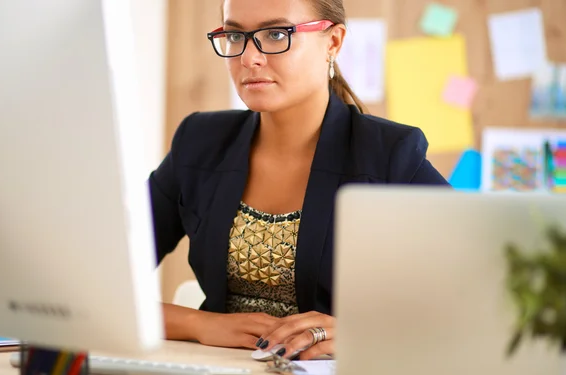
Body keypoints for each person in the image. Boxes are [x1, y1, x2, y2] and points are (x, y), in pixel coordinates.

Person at [148, 0, 450, 361]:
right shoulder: (199, 141)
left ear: (333, 42)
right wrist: (200, 324)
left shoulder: (388, 155)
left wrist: (365, 331)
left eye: (276, 34)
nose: (249, 58)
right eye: (234, 36)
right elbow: (95, 285)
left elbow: (486, 293)